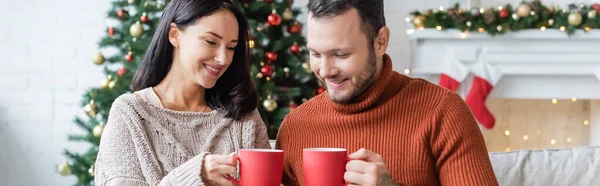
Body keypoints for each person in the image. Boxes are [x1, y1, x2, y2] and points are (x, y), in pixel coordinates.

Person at [275, 0, 499, 185]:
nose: (325, 71)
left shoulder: (443, 111)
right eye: (315, 54)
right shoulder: (296, 126)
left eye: (341, 55)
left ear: (380, 42)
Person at [94, 0, 271, 185]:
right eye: (211, 42)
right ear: (175, 34)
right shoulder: (131, 114)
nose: (223, 58)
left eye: (231, 47)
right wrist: (193, 176)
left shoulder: (244, 118)